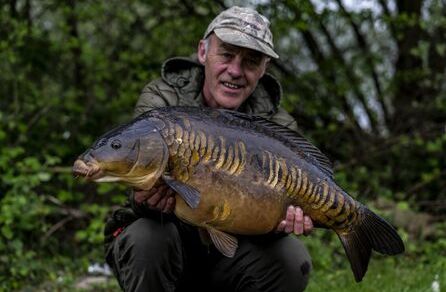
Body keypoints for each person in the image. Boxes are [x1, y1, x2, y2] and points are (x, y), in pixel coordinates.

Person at [104, 6, 313, 292]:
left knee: (291, 258)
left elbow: (276, 209)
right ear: (203, 52)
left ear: (264, 70)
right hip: (171, 239)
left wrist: (276, 221)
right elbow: (135, 177)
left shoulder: (277, 126)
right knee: (147, 238)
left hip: (235, 247)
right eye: (226, 55)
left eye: (251, 62)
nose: (236, 71)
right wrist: (144, 200)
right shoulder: (163, 100)